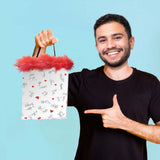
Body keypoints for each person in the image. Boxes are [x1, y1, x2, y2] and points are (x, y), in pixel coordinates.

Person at [32, 14, 160, 160]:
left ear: (131, 42)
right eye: (102, 40)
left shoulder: (149, 83)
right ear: (97, 47)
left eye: (117, 37)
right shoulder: (84, 81)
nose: (110, 45)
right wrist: (40, 49)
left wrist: (124, 123)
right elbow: (39, 99)